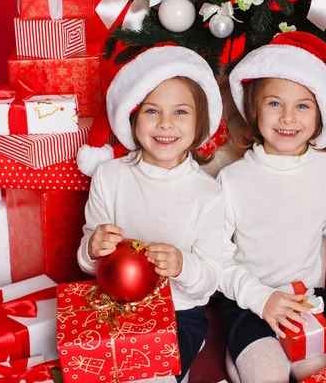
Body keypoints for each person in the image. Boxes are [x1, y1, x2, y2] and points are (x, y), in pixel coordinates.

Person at [217, 31, 326, 383]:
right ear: (254, 109)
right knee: (268, 375)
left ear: (320, 112)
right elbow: (217, 254)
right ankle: (241, 357)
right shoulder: (234, 178)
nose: (288, 117)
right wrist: (259, 298)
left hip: (306, 296)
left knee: (317, 372)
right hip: (250, 298)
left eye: (303, 106)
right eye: (274, 103)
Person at [75, 43, 225, 383]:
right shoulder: (110, 176)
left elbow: (210, 279)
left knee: (146, 377)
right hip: (112, 306)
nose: (166, 124)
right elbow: (85, 262)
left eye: (181, 112)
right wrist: (92, 248)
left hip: (178, 314)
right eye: (152, 111)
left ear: (201, 121)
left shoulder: (209, 194)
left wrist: (183, 264)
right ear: (133, 117)